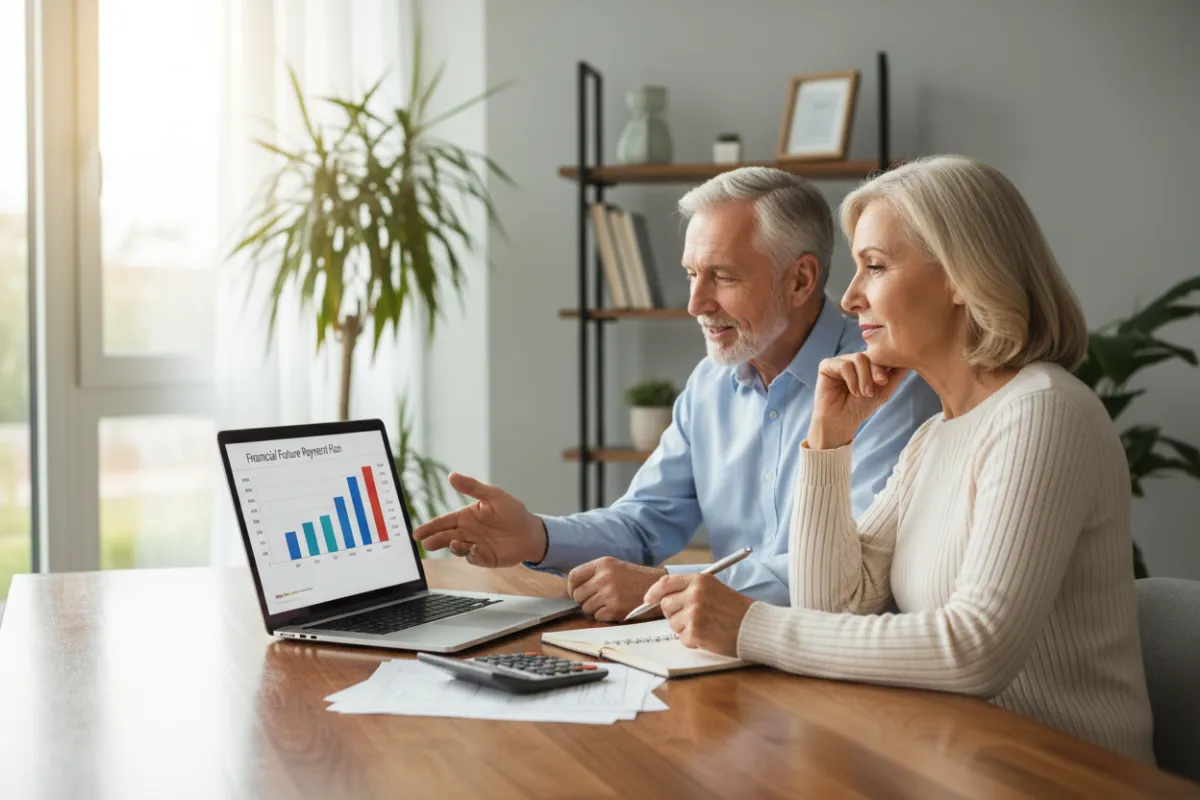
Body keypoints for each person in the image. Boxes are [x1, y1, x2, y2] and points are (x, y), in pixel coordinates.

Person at [642, 155, 1156, 762]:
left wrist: (748, 625)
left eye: (875, 267)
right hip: (952, 762)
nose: (852, 297)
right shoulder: (937, 435)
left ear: (964, 276)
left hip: (1063, 778)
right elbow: (829, 603)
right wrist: (829, 444)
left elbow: (975, 648)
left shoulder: (1043, 412)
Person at [414, 167, 940, 620]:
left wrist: (664, 588)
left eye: (722, 276)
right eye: (691, 274)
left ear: (801, 281)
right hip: (732, 655)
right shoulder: (710, 384)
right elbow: (644, 523)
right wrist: (536, 536)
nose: (695, 303)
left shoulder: (886, 383)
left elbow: (848, 576)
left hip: (843, 673)